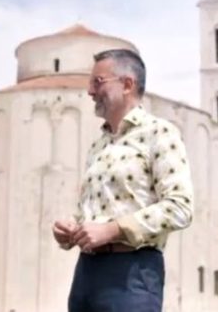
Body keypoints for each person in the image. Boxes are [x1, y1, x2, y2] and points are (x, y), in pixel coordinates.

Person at [53, 48, 194, 312]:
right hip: (86, 273)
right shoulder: (98, 146)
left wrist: (112, 230)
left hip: (132, 273)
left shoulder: (159, 133)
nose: (90, 91)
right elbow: (93, 213)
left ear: (127, 84)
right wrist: (71, 230)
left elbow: (180, 207)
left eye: (98, 82)